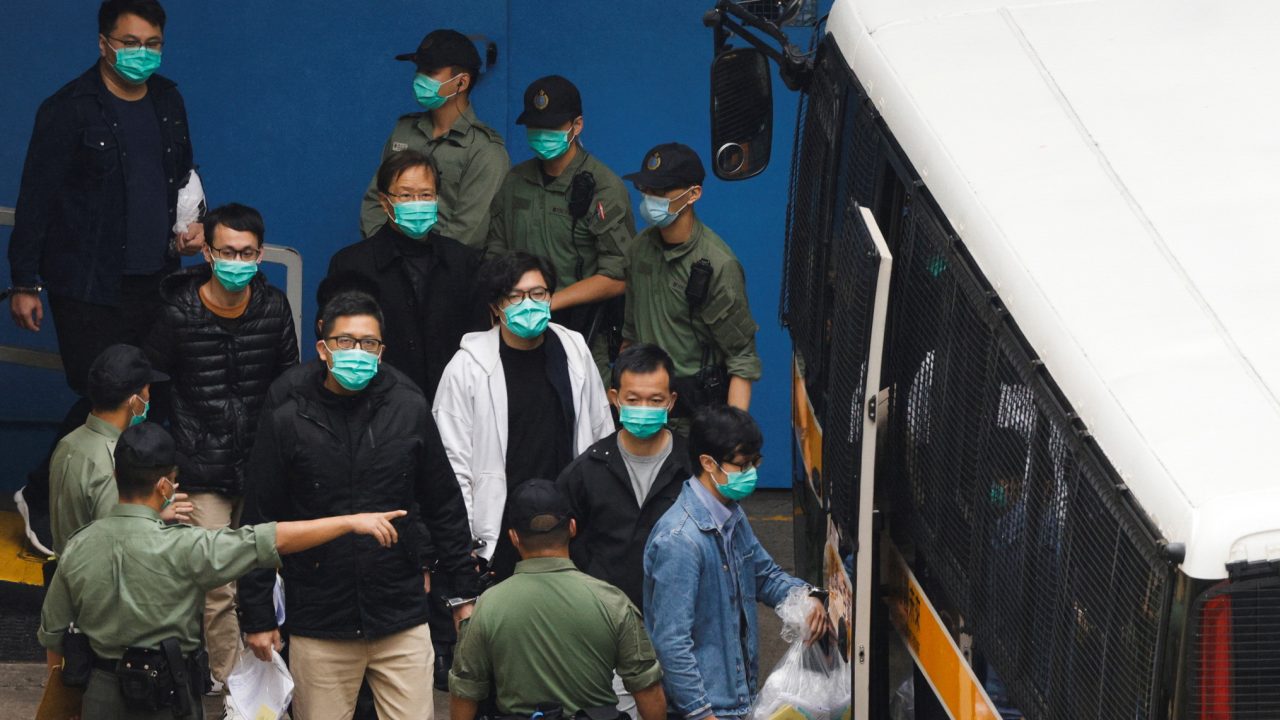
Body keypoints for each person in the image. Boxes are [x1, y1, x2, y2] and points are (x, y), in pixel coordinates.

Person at [38, 422, 410, 720]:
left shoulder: (79, 545)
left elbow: (53, 637)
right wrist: (348, 522)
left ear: (117, 474)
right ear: (165, 485)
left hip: (99, 694)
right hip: (166, 696)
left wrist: (66, 704)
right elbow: (271, 538)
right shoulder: (187, 546)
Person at [8, 0, 205, 556]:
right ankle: (41, 493)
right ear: (103, 43)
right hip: (87, 284)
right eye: (130, 42)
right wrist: (24, 281)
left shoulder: (167, 100)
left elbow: (185, 173)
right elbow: (36, 197)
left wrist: (193, 224)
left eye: (153, 43)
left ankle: (122, 508)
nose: (142, 53)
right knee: (106, 397)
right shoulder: (68, 109)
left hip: (157, 277)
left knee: (145, 395)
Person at [238, 291, 481, 720]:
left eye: (369, 343)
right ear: (323, 348)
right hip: (320, 620)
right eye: (345, 341)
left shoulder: (408, 406)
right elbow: (260, 520)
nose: (358, 351)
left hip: (400, 615)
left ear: (381, 351)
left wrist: (463, 594)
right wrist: (258, 615)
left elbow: (443, 503)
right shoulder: (289, 415)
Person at [142, 202, 298, 691]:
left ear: (260, 254)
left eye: (247, 252)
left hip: (260, 464)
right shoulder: (177, 313)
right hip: (200, 468)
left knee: (264, 570)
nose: (238, 261)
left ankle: (264, 675)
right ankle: (231, 684)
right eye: (228, 251)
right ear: (208, 253)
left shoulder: (273, 308)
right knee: (217, 586)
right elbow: (153, 388)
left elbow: (289, 386)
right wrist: (165, 468)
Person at [434, 252, 614, 582]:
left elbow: (601, 431)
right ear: (496, 307)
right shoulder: (467, 367)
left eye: (538, 293)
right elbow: (452, 463)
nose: (528, 304)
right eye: (515, 296)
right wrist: (463, 544)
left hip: (569, 527)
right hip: (501, 530)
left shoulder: (573, 350)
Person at [643, 406, 830, 720]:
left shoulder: (731, 514)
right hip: (706, 710)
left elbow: (764, 576)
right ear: (708, 463)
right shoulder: (679, 541)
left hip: (738, 701)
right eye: (743, 465)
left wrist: (807, 597)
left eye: (755, 462)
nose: (752, 472)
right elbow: (671, 643)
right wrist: (701, 713)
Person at [448, 479, 667, 720]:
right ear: (572, 527)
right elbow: (648, 690)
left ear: (514, 537)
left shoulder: (487, 606)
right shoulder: (612, 601)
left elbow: (465, 693)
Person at [556, 343, 689, 716]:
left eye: (655, 400)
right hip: (609, 638)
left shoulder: (694, 468)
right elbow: (560, 550)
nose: (644, 408)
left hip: (685, 635)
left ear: (671, 401)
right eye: (633, 399)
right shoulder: (585, 472)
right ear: (614, 398)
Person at [485, 75, 635, 379]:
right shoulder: (516, 181)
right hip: (516, 323)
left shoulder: (603, 188)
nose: (542, 134)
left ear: (576, 126)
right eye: (535, 127)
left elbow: (619, 276)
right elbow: (496, 250)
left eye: (552, 127)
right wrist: (502, 302)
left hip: (581, 329)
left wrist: (548, 302)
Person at [622, 143, 761, 428]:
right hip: (643, 408)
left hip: (695, 415)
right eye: (646, 189)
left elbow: (742, 359)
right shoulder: (639, 249)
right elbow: (630, 333)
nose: (650, 198)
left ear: (694, 194)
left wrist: (730, 438)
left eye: (661, 191)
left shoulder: (718, 264)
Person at [331, 150, 489, 398]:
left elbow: (480, 341)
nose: (417, 203)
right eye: (406, 195)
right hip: (377, 403)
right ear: (385, 202)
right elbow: (339, 345)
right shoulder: (351, 265)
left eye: (426, 195)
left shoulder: (464, 262)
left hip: (452, 401)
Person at [359, 29, 508, 247]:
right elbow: (375, 199)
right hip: (388, 261)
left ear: (461, 82)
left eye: (430, 71)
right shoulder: (403, 131)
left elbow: (468, 229)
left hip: (448, 265)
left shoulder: (485, 150)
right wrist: (382, 255)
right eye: (418, 70)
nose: (419, 78)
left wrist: (424, 262)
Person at [48, 344, 191, 557]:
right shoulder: (114, 462)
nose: (149, 398)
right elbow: (116, 546)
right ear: (134, 401)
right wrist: (155, 516)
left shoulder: (69, 442)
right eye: (147, 391)